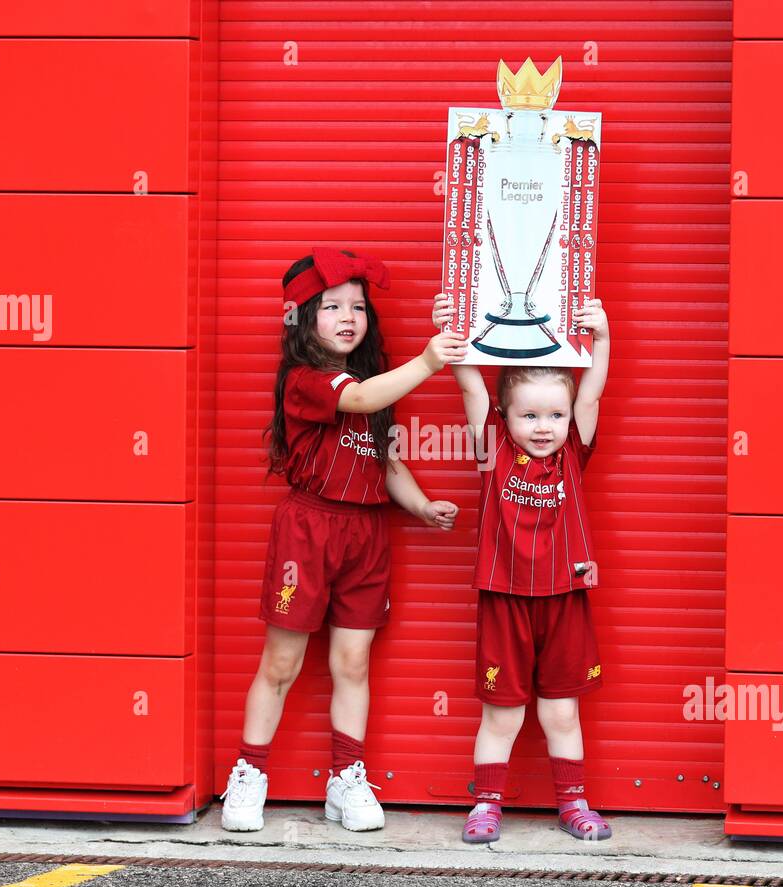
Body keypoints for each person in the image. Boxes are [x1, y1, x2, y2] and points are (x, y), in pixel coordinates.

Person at [221, 248, 466, 832]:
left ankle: (346, 779)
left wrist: (422, 505)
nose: (347, 317)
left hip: (366, 534)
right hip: (307, 532)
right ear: (305, 320)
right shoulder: (309, 381)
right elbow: (358, 400)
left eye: (357, 307)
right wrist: (430, 359)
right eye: (331, 307)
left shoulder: (374, 382)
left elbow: (385, 460)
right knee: (282, 661)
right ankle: (249, 775)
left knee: (352, 663)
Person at [438, 291, 612, 842]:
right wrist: (452, 327)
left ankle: (574, 805)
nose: (544, 426)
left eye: (555, 414)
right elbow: (469, 383)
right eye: (530, 415)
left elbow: (592, 391)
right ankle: (486, 804)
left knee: (561, 715)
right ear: (504, 416)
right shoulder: (491, 450)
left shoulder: (573, 454)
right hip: (505, 599)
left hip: (564, 599)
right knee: (503, 715)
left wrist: (602, 337)